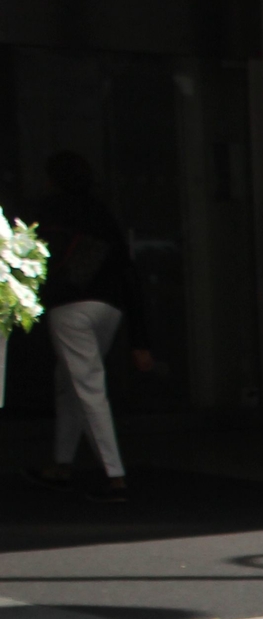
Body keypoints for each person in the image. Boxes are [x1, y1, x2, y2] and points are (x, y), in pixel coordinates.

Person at [30, 152, 151, 503]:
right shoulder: (102, 213)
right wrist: (141, 339)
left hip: (70, 306)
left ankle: (114, 476)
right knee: (71, 382)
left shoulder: (51, 211)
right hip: (108, 306)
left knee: (84, 387)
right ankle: (62, 465)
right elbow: (127, 272)